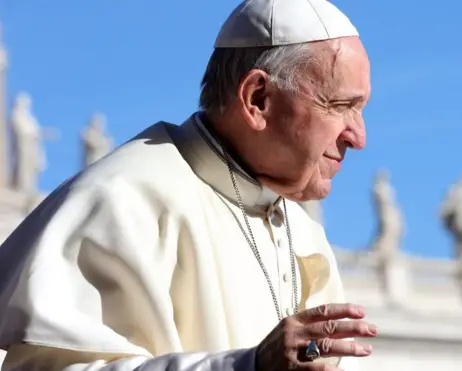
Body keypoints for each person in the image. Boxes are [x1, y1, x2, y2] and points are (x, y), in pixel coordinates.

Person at [0, 0, 375, 370]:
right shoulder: (123, 201)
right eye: (340, 106)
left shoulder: (304, 235)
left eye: (360, 110)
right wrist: (247, 367)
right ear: (257, 98)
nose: (358, 137)